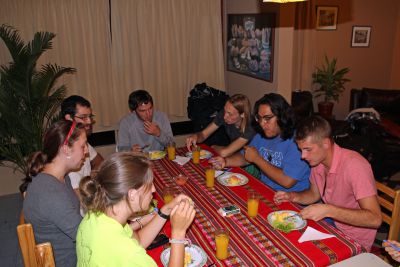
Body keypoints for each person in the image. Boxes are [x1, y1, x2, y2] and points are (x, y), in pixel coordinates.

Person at [274, 115, 382, 251]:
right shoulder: (317, 162)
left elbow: (375, 219)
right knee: (285, 243)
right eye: (301, 150)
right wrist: (293, 196)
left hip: (356, 241)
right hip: (334, 227)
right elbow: (314, 194)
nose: (303, 156)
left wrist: (328, 210)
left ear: (325, 143)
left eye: (308, 149)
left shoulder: (354, 166)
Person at [77, 153, 196, 266]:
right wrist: (178, 233)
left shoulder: (97, 214)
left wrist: (166, 210)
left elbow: (138, 241)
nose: (154, 190)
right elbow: (128, 251)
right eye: (150, 185)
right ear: (132, 195)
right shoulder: (127, 252)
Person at [210, 93, 310, 192]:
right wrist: (226, 161)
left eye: (267, 118)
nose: (262, 124)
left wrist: (257, 159)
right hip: (265, 190)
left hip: (291, 199)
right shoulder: (261, 136)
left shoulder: (298, 142)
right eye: (259, 118)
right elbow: (245, 156)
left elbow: (287, 181)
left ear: (282, 116)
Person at [23, 120, 88, 267]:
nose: (86, 151)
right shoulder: (49, 193)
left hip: (77, 251)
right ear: (66, 149)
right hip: (72, 261)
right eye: (82, 146)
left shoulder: (61, 178)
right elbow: (87, 236)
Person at [186, 94, 255, 157]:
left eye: (230, 114)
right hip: (233, 155)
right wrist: (196, 136)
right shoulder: (224, 115)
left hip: (250, 161)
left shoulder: (251, 126)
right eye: (225, 111)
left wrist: (213, 147)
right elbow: (204, 134)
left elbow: (224, 153)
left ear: (243, 114)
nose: (225, 116)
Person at [61, 95, 104, 195]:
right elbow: (75, 194)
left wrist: (92, 177)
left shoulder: (82, 141)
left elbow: (100, 162)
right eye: (84, 117)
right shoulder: (64, 149)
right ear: (69, 118)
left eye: (90, 117)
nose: (89, 121)